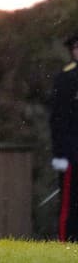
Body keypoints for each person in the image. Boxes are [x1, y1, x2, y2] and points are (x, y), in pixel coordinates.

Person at [48, 33, 78, 242]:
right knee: (70, 204)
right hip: (73, 153)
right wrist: (60, 153)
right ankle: (66, 243)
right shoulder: (66, 78)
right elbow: (58, 119)